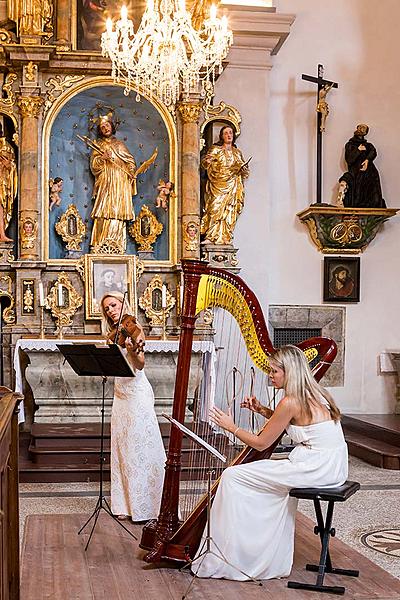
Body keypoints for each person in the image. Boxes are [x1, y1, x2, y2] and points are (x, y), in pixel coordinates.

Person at [192, 345, 348, 581]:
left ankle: (234, 556)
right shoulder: (315, 392)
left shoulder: (290, 401)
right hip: (331, 466)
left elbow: (261, 444)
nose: (270, 375)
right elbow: (295, 422)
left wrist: (230, 426)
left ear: (290, 372)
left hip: (315, 467)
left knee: (233, 476)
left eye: (274, 371)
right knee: (253, 478)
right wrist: (262, 410)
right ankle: (254, 550)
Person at [100, 292, 166, 521]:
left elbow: (139, 364)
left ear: (123, 303)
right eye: (107, 308)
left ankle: (146, 507)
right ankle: (125, 505)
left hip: (137, 394)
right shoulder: (113, 334)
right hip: (120, 395)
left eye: (114, 305)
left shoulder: (134, 328)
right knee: (123, 448)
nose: (111, 310)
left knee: (141, 448)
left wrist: (131, 351)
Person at [90, 115, 138, 251]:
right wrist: (102, 159)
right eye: (102, 127)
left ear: (112, 126)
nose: (105, 128)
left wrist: (131, 171)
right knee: (103, 210)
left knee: (117, 212)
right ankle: (99, 243)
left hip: (120, 182)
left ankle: (118, 245)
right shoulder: (98, 146)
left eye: (107, 125)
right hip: (105, 182)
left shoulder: (120, 145)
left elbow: (130, 162)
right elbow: (94, 166)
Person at [201, 125, 249, 245]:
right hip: (217, 184)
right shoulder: (215, 150)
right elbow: (205, 164)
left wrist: (243, 169)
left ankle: (225, 235)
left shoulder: (237, 153)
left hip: (232, 185)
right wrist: (207, 162)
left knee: (229, 210)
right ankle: (211, 236)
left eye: (231, 133)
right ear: (222, 136)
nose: (229, 135)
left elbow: (244, 171)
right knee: (214, 208)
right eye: (226, 133)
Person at [339, 124, 386, 208]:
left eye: (364, 128)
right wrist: (358, 150)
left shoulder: (368, 145)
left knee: (374, 197)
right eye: (360, 127)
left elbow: (373, 152)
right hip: (357, 174)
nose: (361, 129)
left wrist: (367, 160)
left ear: (366, 132)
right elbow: (349, 160)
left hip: (370, 174)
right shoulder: (350, 145)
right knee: (358, 198)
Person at [0, 125, 17, 242]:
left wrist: (9, 166)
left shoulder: (6, 147)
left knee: (0, 207)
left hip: (2, 181)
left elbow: (12, 164)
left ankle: (1, 234)